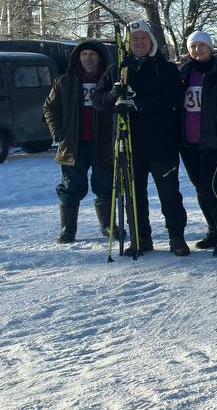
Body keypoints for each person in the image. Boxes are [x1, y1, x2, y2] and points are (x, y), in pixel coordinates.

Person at [94, 21, 188, 256]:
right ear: (128, 42)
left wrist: (139, 104)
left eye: (143, 38)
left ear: (151, 41)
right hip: (128, 144)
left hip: (161, 143)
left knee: (169, 194)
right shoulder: (117, 69)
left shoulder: (166, 68)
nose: (139, 43)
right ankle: (140, 238)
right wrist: (113, 95)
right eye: (134, 39)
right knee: (134, 195)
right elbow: (98, 100)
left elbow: (174, 97)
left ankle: (176, 237)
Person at [44, 39, 116, 243]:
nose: (88, 58)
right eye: (84, 54)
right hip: (73, 144)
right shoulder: (64, 81)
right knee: (70, 186)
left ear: (100, 57)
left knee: (105, 184)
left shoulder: (111, 80)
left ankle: (108, 226)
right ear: (78, 57)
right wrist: (59, 133)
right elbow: (49, 108)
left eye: (92, 54)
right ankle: (68, 230)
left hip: (102, 143)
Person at [177, 31, 217, 257]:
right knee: (200, 189)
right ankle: (213, 230)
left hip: (214, 141)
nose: (197, 51)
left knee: (209, 187)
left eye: (202, 46)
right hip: (188, 142)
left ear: (210, 48)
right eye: (193, 47)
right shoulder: (183, 73)